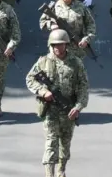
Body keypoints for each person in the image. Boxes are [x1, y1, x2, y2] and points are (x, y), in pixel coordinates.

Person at [26, 28, 89, 177]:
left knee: (65, 145)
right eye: (54, 45)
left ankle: (61, 171)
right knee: (50, 143)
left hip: (69, 111)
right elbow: (30, 78)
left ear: (66, 45)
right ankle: (49, 174)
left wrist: (78, 107)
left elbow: (83, 86)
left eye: (60, 44)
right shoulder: (43, 61)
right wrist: (43, 91)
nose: (57, 48)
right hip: (50, 110)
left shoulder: (75, 62)